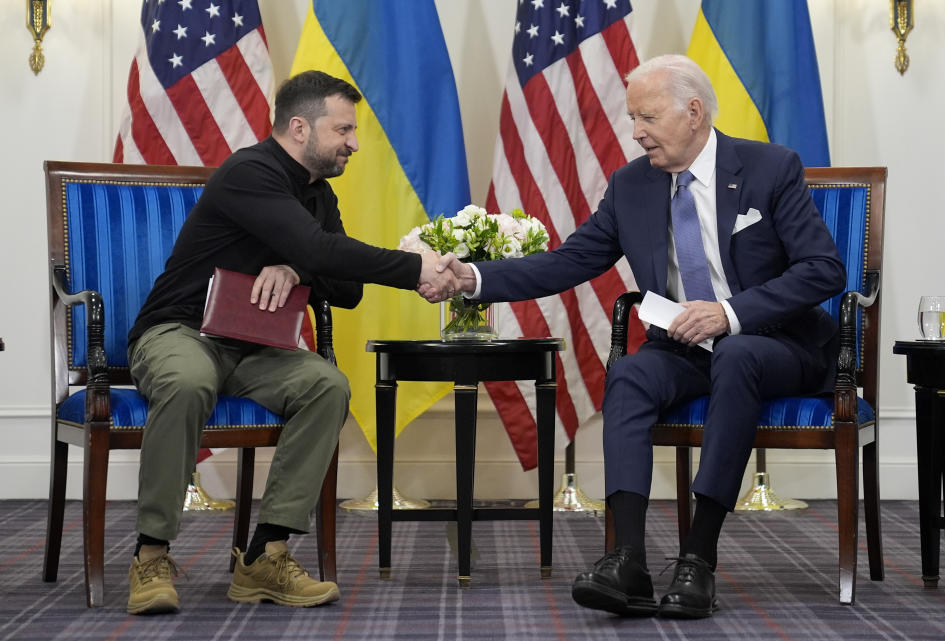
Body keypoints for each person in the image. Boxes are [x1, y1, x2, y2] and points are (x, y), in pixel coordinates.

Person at [426, 54, 845, 619]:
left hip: (775, 345)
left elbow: (823, 269)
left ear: (693, 112)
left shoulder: (770, 168)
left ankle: (698, 558)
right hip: (685, 350)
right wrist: (472, 279)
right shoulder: (631, 185)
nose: (636, 131)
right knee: (628, 371)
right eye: (632, 118)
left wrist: (730, 312)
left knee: (739, 355)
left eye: (647, 117)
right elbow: (568, 262)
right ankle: (628, 559)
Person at [125, 70, 454, 615]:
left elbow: (343, 288)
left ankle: (264, 556)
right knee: (189, 379)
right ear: (299, 128)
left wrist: (294, 260)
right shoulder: (247, 172)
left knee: (326, 386)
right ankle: (151, 554)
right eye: (344, 129)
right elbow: (323, 253)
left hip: (253, 349)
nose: (353, 143)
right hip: (179, 332)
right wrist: (410, 266)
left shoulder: (318, 195)